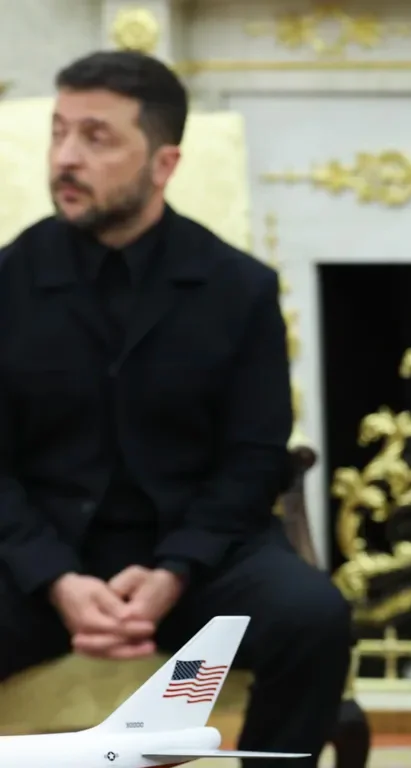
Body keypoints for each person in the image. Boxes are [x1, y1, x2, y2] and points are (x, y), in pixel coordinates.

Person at [0, 51, 352, 766]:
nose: (65, 157)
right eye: (59, 132)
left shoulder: (239, 288)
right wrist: (58, 578)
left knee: (312, 618)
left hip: (198, 567)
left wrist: (174, 572)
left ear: (164, 163)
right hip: (38, 567)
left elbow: (254, 457)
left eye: (96, 137)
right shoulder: (7, 282)